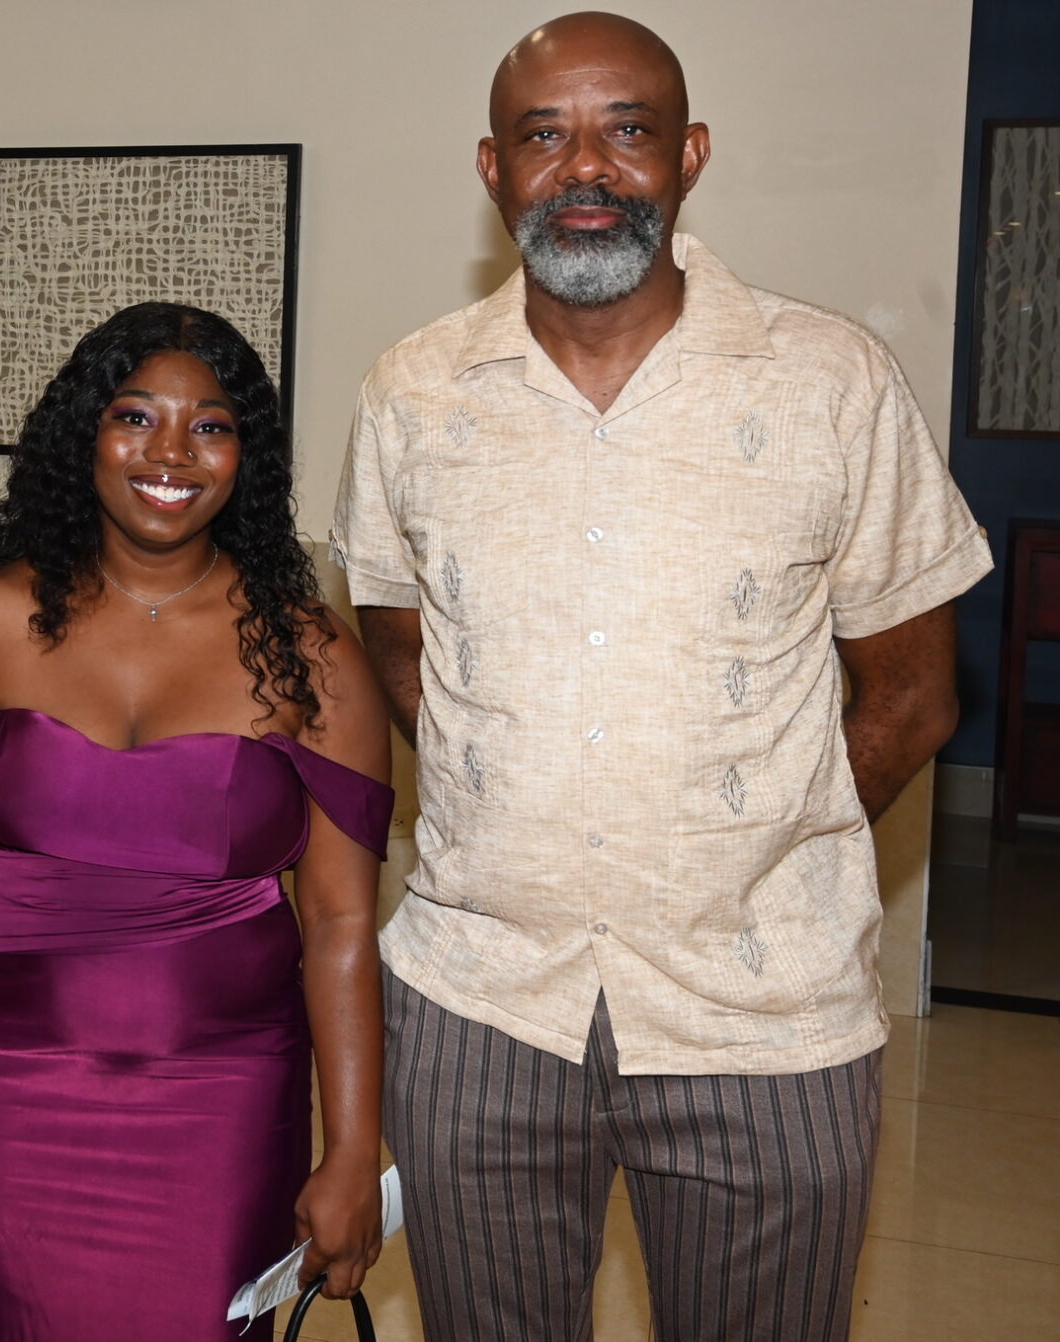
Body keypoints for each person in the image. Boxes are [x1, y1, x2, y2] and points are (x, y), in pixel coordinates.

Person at [329, 13, 994, 1342]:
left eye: (625, 129)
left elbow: (916, 692)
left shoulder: (830, 382)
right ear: (492, 168)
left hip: (763, 1018)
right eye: (544, 135)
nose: (587, 166)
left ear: (688, 154)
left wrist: (756, 839)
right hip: (480, 1002)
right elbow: (399, 643)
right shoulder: (413, 392)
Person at [0, 303, 390, 1339]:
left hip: (226, 1083)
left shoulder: (312, 657)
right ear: (83, 434)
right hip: (10, 1076)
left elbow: (342, 923)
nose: (170, 453)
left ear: (246, 458)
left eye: (210, 426)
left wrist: (354, 1148)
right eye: (135, 416)